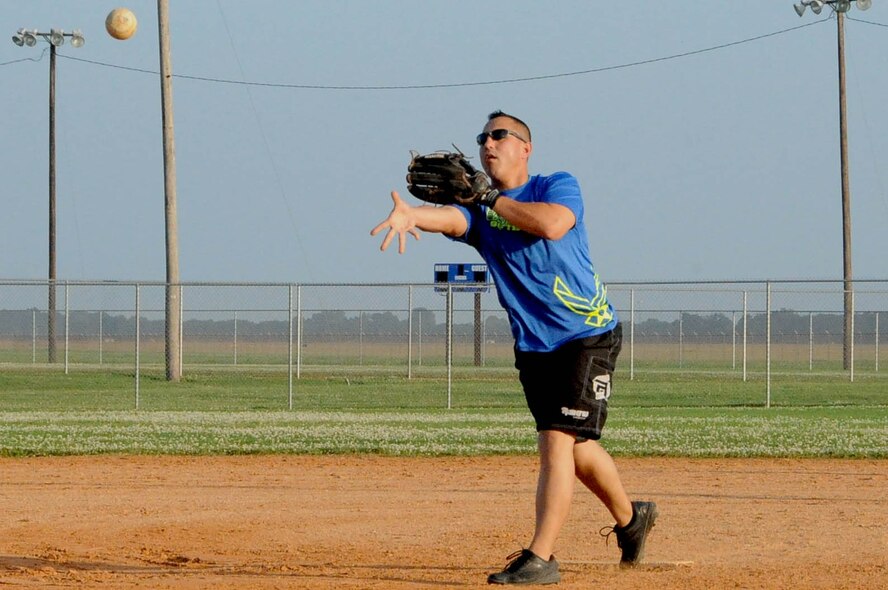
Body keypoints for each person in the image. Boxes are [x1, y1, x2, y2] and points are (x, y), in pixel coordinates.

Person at [371, 110, 657, 585]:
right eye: (483, 137)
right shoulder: (481, 214)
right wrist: (412, 214)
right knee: (577, 448)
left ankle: (541, 558)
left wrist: (489, 197)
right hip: (535, 345)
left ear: (525, 148)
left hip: (585, 335)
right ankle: (633, 519)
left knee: (556, 444)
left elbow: (552, 226)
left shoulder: (556, 185)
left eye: (500, 135)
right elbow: (450, 219)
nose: (488, 143)